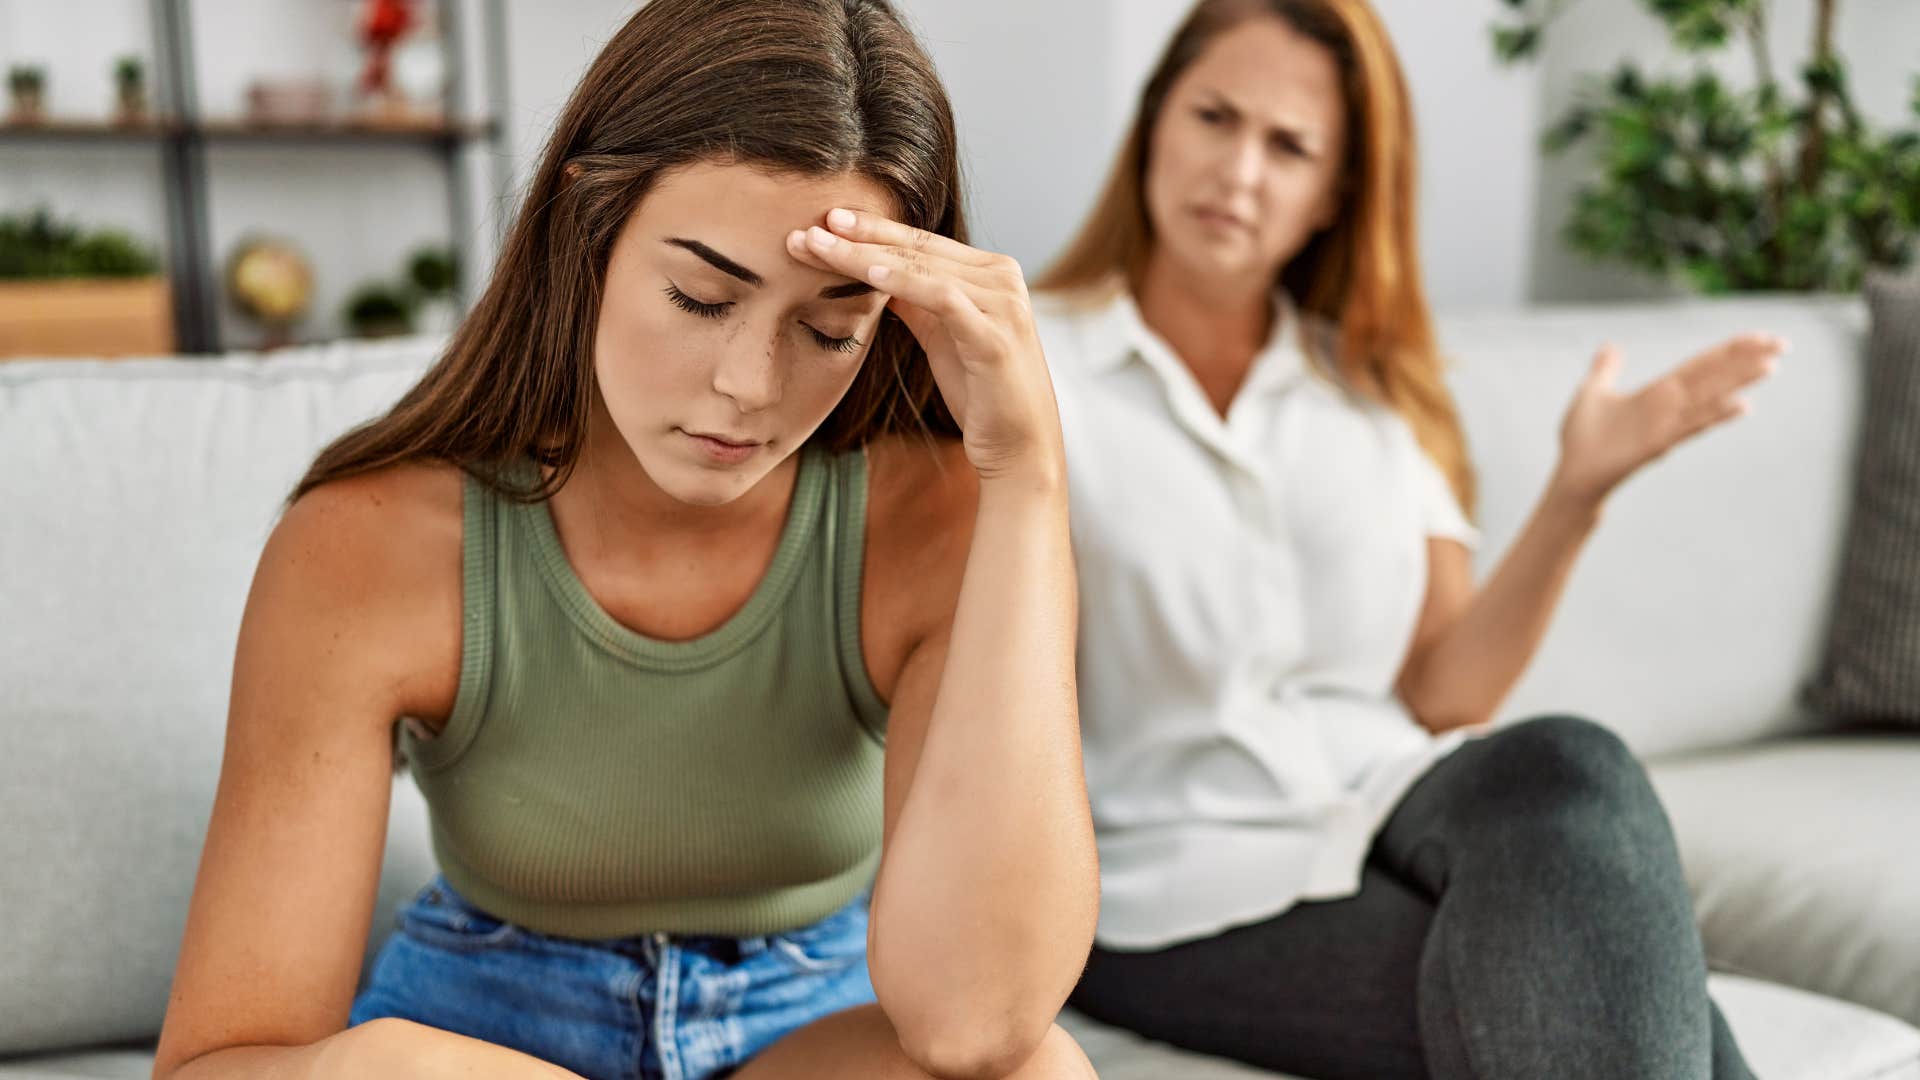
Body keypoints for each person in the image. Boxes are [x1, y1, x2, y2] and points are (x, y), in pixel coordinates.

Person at [152, 2, 1099, 1078]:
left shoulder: (929, 518)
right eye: (700, 298)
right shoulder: (370, 545)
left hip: (807, 1028)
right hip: (486, 1025)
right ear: (585, 230)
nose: (750, 387)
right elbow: (217, 1066)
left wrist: (1028, 479)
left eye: (830, 327)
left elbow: (974, 1027)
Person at [1032, 0, 1779, 1076]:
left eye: (1288, 146)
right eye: (1213, 117)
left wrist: (1577, 493)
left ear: (1337, 193)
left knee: (1570, 763)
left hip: (1391, 802)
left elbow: (1442, 694)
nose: (1238, 172)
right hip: (1171, 882)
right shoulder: (1026, 367)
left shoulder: (1377, 393)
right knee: (1642, 1005)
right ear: (1154, 122)